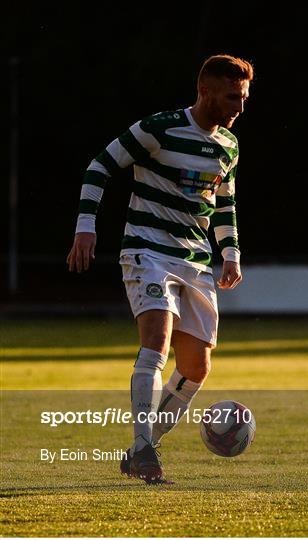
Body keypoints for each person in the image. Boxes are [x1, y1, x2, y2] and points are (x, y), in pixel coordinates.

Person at [67, 54, 254, 484]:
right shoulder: (158, 128)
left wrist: (231, 252)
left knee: (196, 368)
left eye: (243, 98)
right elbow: (100, 165)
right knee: (156, 341)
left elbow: (223, 202)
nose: (239, 107)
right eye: (232, 97)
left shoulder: (229, 145)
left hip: (195, 261)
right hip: (147, 251)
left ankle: (139, 448)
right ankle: (147, 451)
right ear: (205, 91)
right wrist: (84, 227)